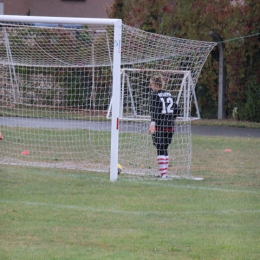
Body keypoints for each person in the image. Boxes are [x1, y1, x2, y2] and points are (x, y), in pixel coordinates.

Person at [148, 74, 179, 178]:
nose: (150, 86)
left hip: (160, 126)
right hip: (170, 126)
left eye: (151, 84)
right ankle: (163, 173)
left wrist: (152, 125)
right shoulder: (169, 94)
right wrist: (170, 119)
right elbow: (177, 110)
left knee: (160, 148)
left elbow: (155, 112)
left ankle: (163, 175)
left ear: (155, 84)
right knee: (165, 148)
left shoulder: (155, 95)